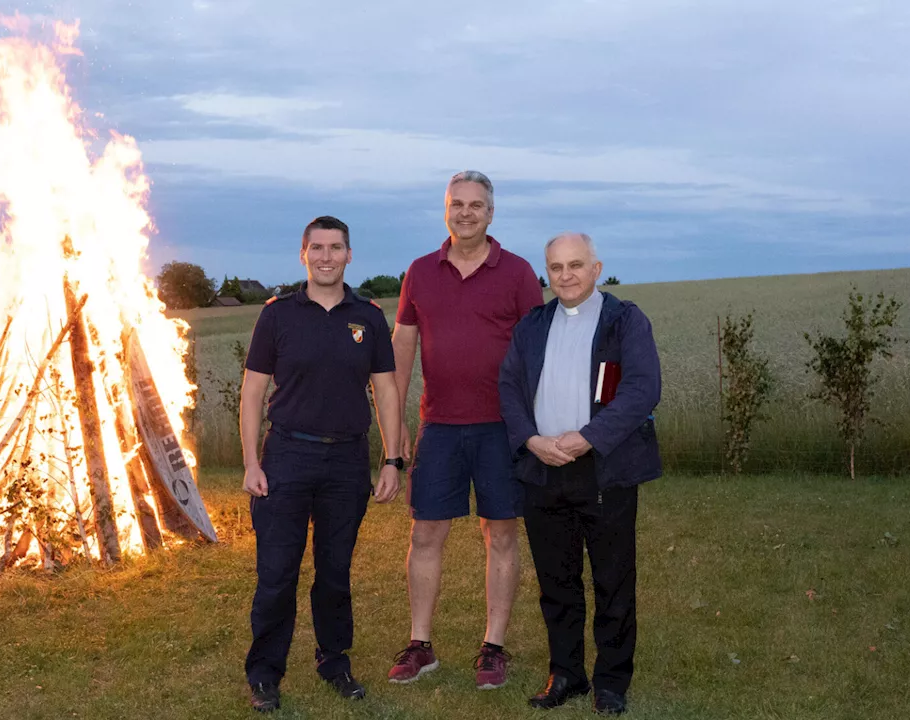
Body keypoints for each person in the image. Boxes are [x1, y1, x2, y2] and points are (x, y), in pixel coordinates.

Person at [240, 215, 403, 713]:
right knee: (277, 572)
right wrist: (250, 462)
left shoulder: (369, 317)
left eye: (336, 248)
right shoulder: (278, 315)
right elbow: (251, 393)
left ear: (349, 255)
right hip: (287, 455)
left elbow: (388, 392)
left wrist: (392, 460)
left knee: (335, 572)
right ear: (303, 254)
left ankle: (335, 662)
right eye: (318, 248)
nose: (326, 256)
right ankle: (265, 674)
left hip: (347, 460)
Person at [388, 171, 543, 690]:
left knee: (500, 533)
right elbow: (402, 351)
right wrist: (395, 429)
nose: (467, 213)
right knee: (426, 532)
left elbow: (538, 354)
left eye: (477, 205)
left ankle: (493, 647)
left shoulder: (518, 273)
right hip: (439, 426)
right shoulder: (419, 272)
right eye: (457, 204)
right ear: (446, 210)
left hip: (503, 429)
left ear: (492, 213)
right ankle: (420, 644)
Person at [498, 232, 662, 715]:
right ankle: (565, 674)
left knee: (613, 580)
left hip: (603, 471)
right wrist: (533, 441)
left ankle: (611, 681)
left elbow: (641, 389)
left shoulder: (624, 320)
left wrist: (588, 437)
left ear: (596, 268)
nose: (565, 276)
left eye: (575, 265)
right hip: (543, 469)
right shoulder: (531, 325)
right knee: (557, 582)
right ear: (545, 274)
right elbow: (508, 387)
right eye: (556, 268)